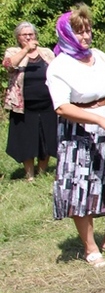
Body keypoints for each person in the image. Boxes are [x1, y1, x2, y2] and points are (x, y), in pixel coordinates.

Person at [46, 5, 105, 267]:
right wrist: (99, 119)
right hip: (80, 132)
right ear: (66, 34)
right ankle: (90, 247)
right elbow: (62, 107)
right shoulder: (59, 66)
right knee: (81, 188)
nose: (86, 36)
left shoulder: (99, 56)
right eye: (79, 32)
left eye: (88, 30)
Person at [4, 21, 56, 181]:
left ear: (35, 35)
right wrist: (26, 49)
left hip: (48, 104)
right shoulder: (13, 51)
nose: (28, 37)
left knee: (46, 138)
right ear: (18, 37)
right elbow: (9, 65)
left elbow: (57, 71)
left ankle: (42, 173)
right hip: (24, 106)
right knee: (27, 140)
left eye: (31, 34)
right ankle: (29, 176)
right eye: (24, 35)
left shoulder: (46, 53)